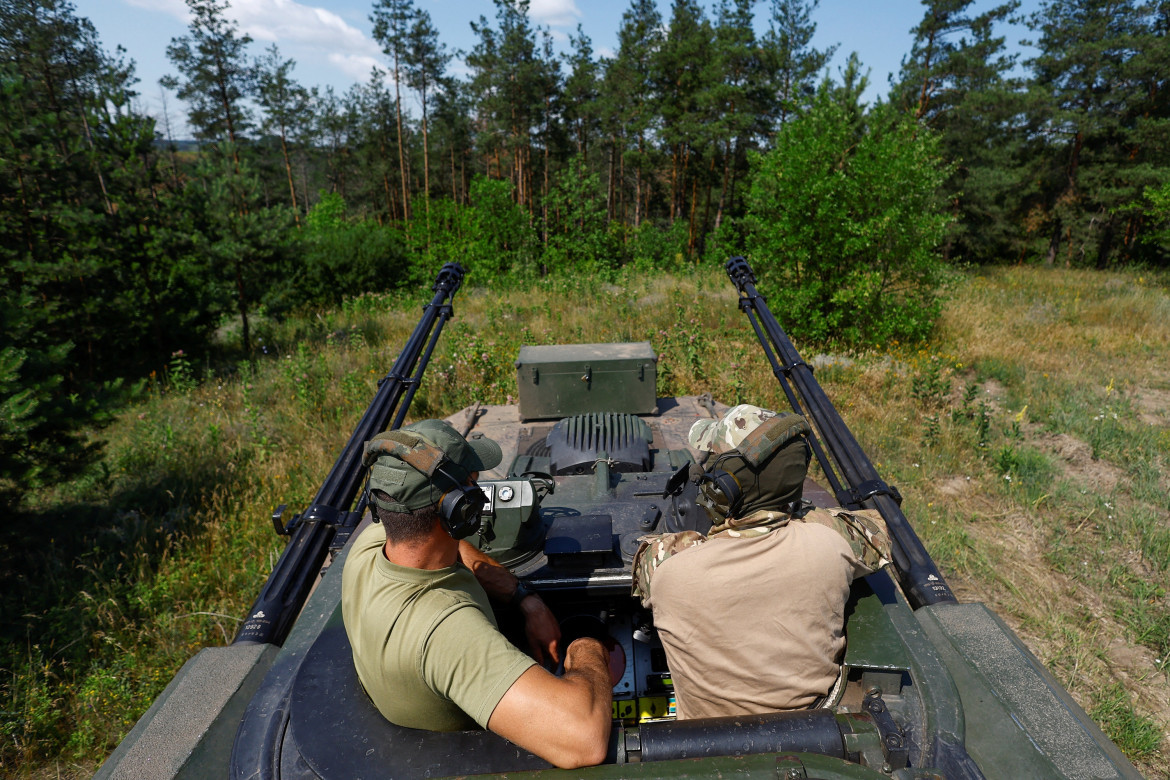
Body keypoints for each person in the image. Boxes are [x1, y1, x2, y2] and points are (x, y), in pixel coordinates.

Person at [342, 419, 613, 769]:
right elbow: (583, 739)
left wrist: (524, 599)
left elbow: (461, 552)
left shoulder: (370, 547)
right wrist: (587, 645)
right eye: (474, 484)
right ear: (461, 508)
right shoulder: (446, 633)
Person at [632, 404, 892, 720]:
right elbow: (873, 532)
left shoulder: (669, 569)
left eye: (712, 463)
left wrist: (702, 534)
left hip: (705, 743)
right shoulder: (832, 544)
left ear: (725, 486)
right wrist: (804, 517)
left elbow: (647, 561)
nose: (705, 471)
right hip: (810, 726)